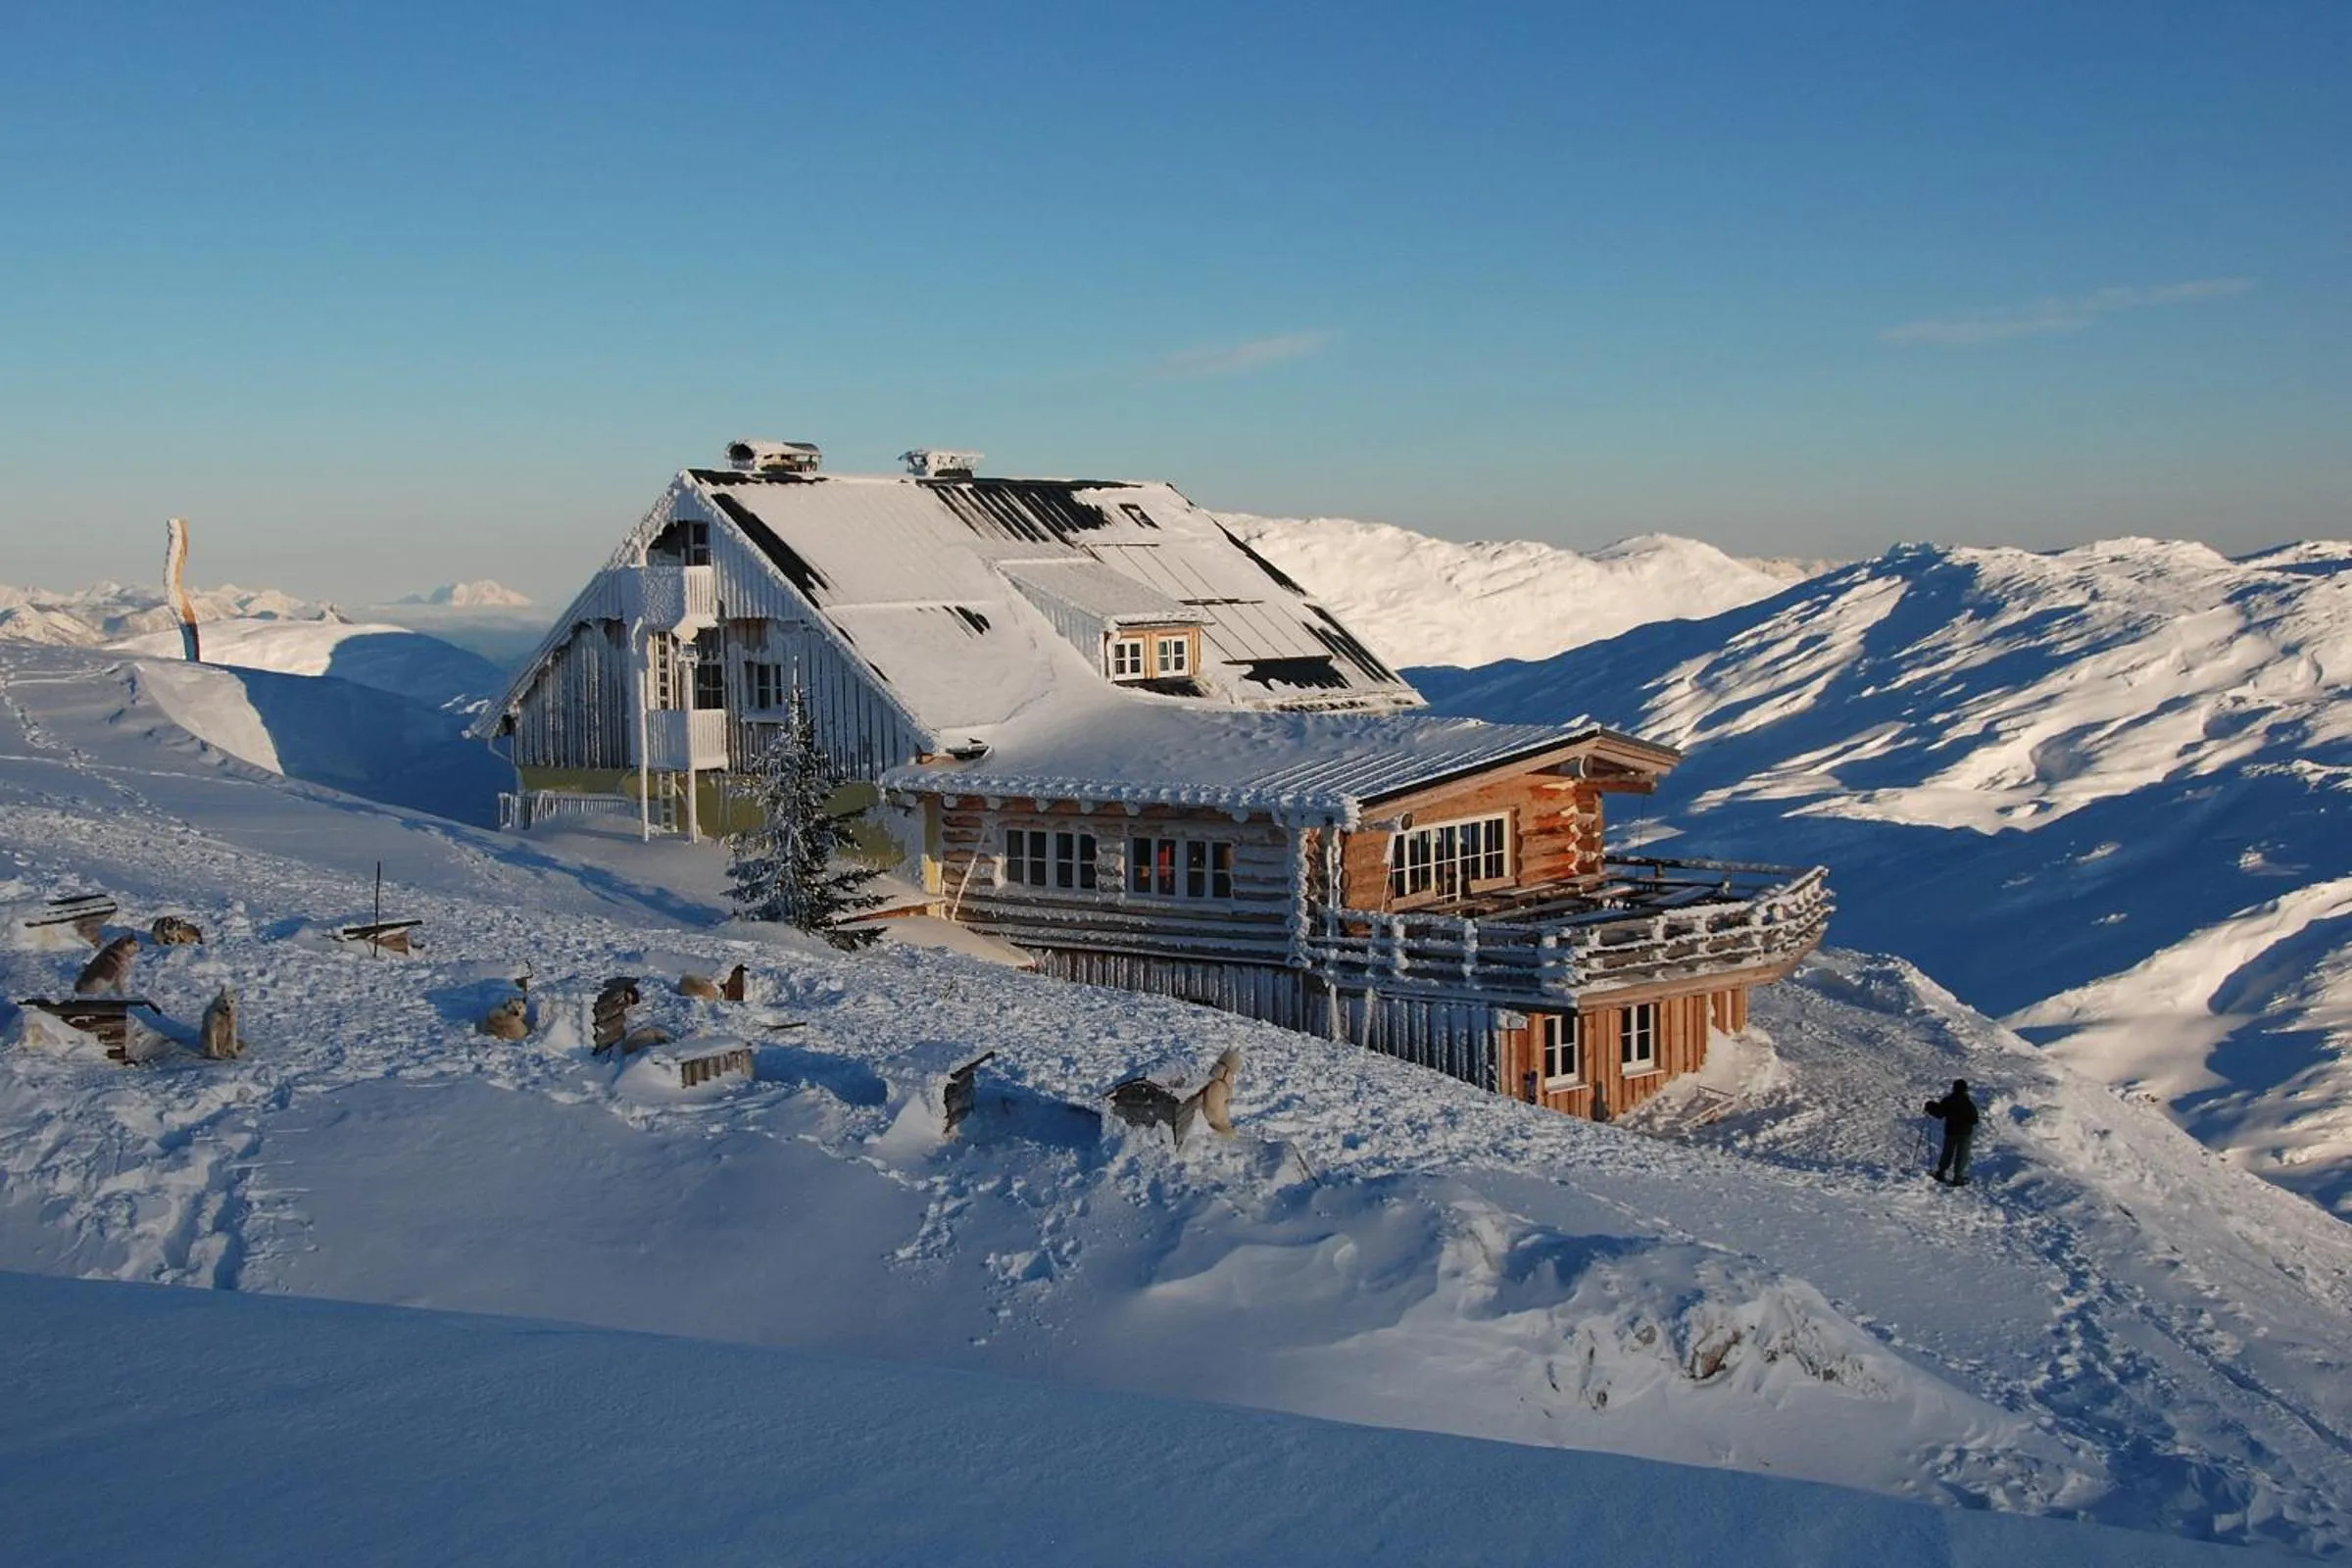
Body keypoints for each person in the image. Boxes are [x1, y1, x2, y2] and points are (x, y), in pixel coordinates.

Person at [1924, 1079, 1979, 1185]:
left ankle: (1940, 1173)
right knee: (1962, 1155)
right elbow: (1974, 1120)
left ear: (1954, 1088)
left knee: (1947, 1153)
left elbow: (1939, 1114)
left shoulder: (1948, 1100)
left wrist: (1930, 1107)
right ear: (1965, 1089)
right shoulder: (1968, 1103)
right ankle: (1958, 1178)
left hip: (1951, 1131)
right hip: (1965, 1133)